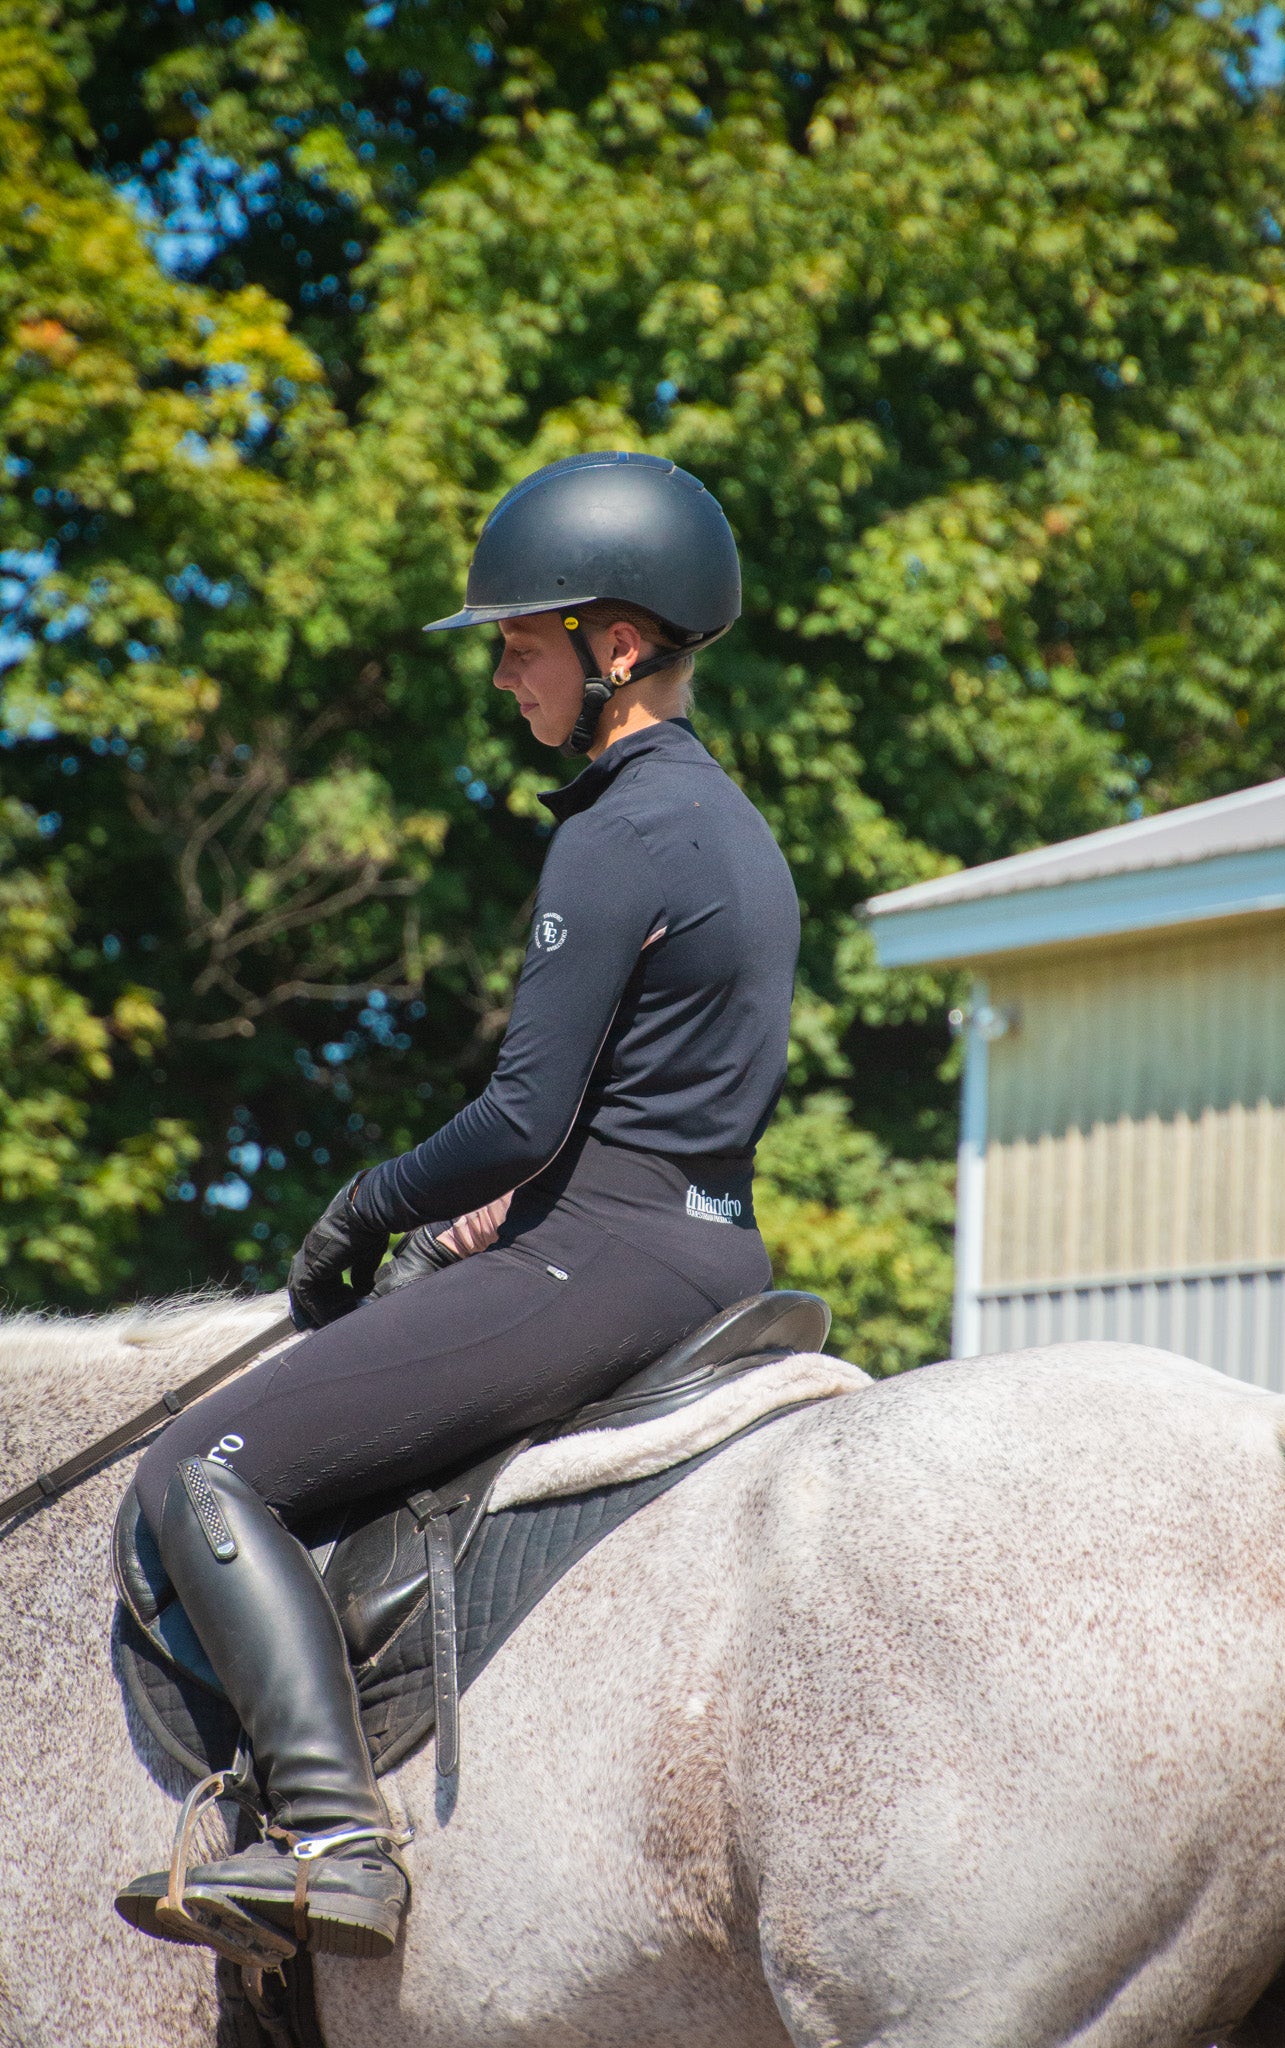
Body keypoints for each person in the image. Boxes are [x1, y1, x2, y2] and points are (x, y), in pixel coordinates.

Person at [116, 452, 800, 1963]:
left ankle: (335, 1839)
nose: (501, 673)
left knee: (204, 1466)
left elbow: (520, 1115)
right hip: (696, 1245)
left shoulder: (614, 832)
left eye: (520, 640)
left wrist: (362, 1208)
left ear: (616, 645)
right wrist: (487, 1221)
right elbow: (656, 1101)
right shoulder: (730, 827)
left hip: (606, 1262)